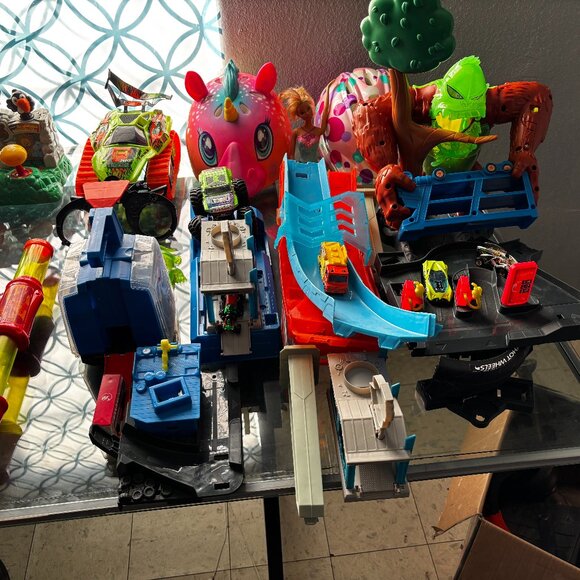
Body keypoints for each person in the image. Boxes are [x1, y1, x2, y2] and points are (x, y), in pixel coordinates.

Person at [281, 85, 330, 163]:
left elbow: (325, 110)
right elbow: (291, 155)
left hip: (315, 166)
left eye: (308, 109)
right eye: (302, 112)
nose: (307, 113)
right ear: (298, 115)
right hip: (300, 166)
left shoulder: (319, 130)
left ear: (311, 107)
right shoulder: (296, 132)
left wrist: (328, 90)